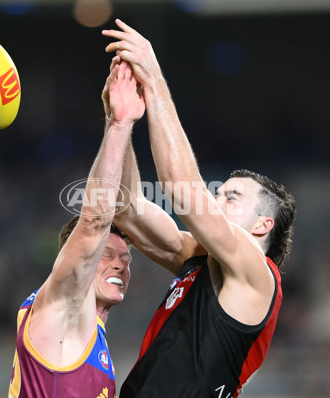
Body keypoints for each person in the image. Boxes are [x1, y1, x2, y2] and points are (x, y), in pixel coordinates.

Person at [102, 20, 297, 398]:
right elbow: (126, 207)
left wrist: (154, 79)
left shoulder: (259, 275)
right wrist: (119, 121)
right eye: (219, 192)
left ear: (262, 226)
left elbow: (184, 193)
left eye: (232, 197)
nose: (217, 199)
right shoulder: (198, 258)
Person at [8, 59, 145, 398]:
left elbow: (130, 206)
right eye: (108, 254)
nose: (121, 265)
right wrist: (119, 123)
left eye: (126, 259)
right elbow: (93, 224)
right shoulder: (62, 309)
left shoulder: (88, 335)